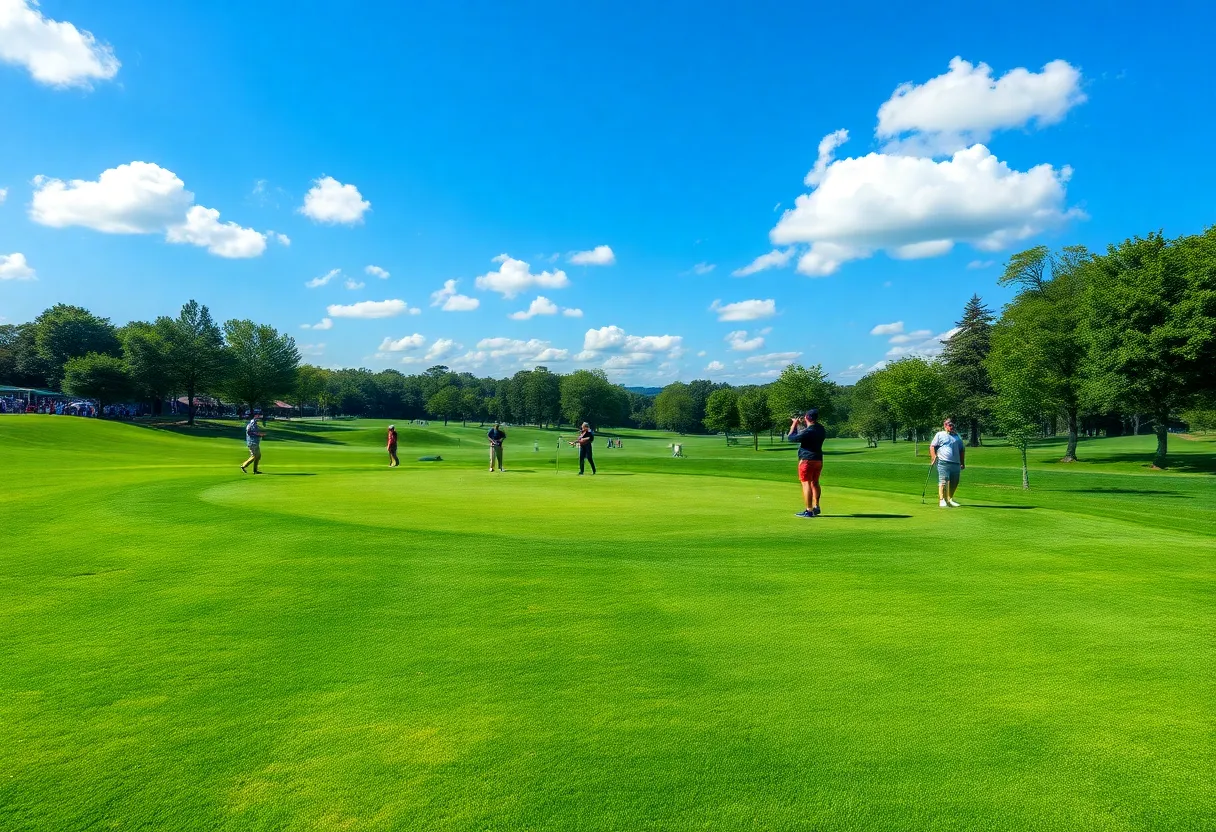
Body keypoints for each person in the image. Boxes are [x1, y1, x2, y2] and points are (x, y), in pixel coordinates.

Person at [787, 408, 827, 518]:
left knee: (806, 483)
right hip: (818, 459)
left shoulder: (809, 432)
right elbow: (806, 433)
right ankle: (816, 506)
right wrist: (800, 425)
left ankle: (809, 510)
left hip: (807, 460)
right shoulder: (820, 429)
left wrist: (794, 424)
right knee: (815, 482)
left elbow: (791, 438)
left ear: (807, 418)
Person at [929, 417, 965, 507]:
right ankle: (942, 500)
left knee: (954, 482)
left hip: (956, 463)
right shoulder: (939, 434)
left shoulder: (957, 436)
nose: (952, 427)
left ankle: (950, 499)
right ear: (945, 425)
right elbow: (932, 446)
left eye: (953, 425)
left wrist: (962, 462)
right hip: (943, 462)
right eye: (950, 425)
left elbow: (962, 450)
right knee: (944, 481)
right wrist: (933, 457)